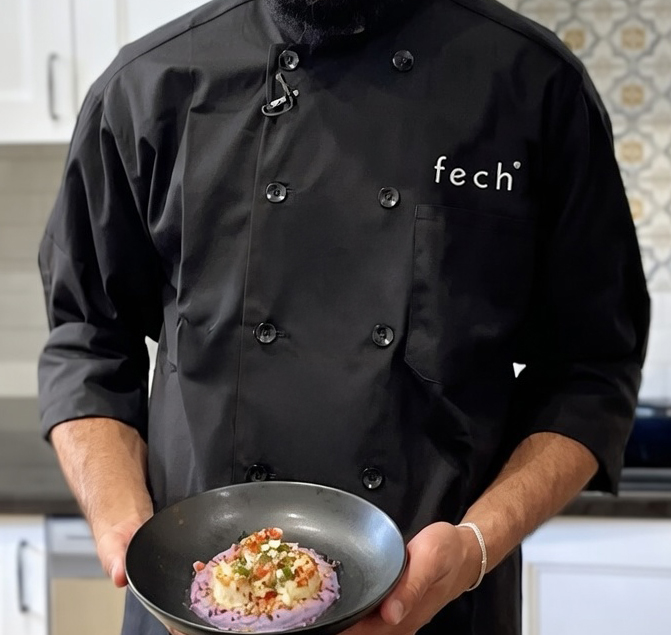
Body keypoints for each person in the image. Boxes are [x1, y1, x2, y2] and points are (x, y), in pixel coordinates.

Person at [37, 0, 650, 634]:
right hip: (194, 606)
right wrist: (124, 527)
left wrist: (476, 545)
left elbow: (592, 370)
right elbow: (86, 339)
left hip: (438, 610)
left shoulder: (532, 84)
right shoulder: (148, 86)